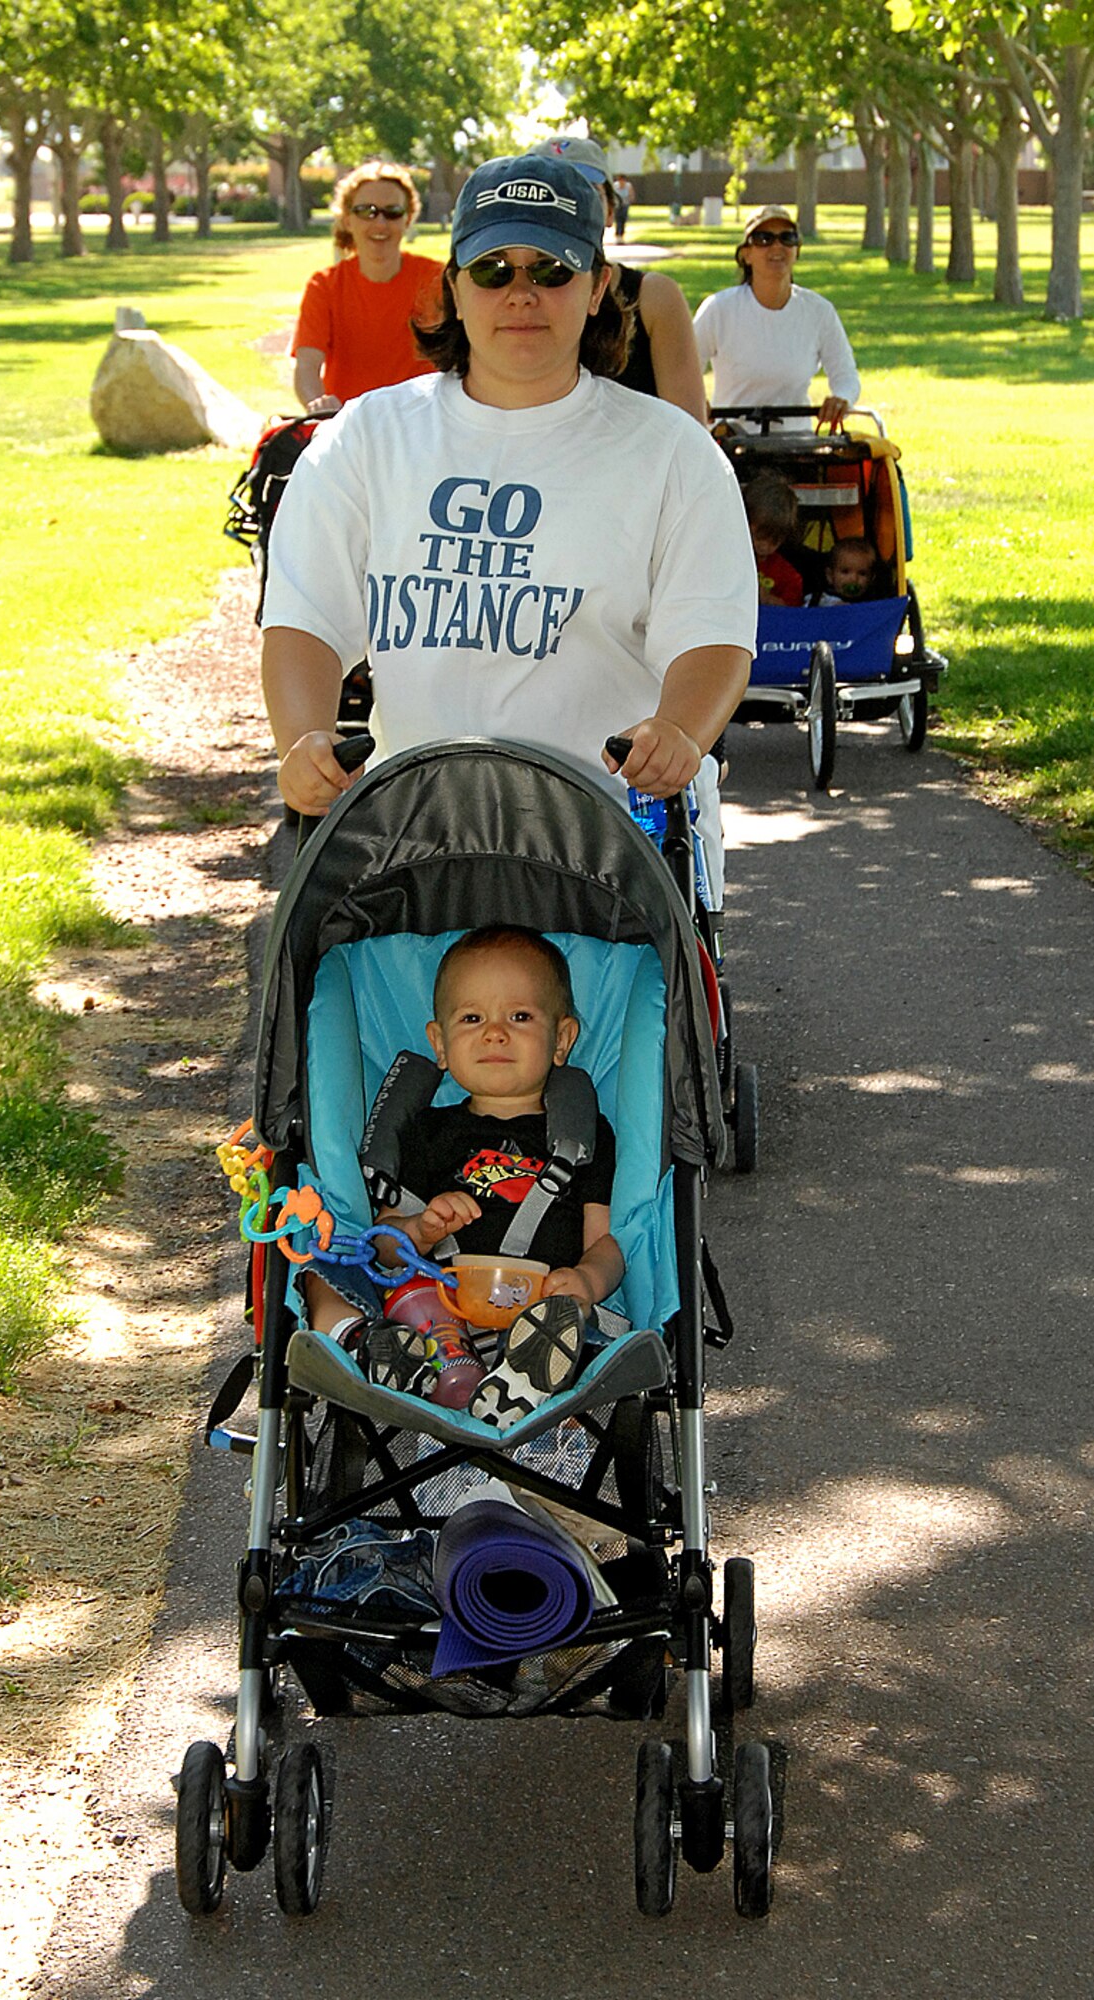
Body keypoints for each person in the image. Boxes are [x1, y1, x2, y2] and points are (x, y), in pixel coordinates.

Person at [261, 151, 755, 892]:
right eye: (493, 269)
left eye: (551, 270)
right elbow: (304, 616)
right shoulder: (366, 437)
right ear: (454, 288)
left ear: (596, 289)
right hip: (413, 846)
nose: (520, 293)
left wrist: (680, 731)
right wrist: (302, 740)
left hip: (614, 851)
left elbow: (712, 635)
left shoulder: (672, 453)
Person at [303, 926, 625, 1428]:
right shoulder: (429, 1133)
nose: (494, 1033)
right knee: (324, 1265)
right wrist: (422, 1230)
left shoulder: (583, 1135)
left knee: (564, 1325)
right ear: (441, 1043)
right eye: (472, 1018)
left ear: (561, 1039)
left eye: (519, 1017)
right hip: (435, 1315)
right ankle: (375, 1350)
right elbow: (385, 1247)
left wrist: (586, 1280)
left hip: (538, 1320)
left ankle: (518, 1378)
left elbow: (604, 1243)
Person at [532, 134, 707, 424]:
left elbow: (691, 433)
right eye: (550, 193)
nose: (568, 206)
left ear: (611, 210)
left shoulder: (654, 298)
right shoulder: (500, 297)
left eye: (585, 193)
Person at [291, 158, 443, 415]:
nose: (380, 224)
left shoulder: (438, 280)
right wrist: (319, 407)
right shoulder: (324, 286)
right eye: (367, 212)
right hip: (349, 425)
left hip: (424, 423)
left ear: (407, 220)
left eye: (392, 212)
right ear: (348, 219)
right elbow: (306, 367)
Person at [693, 204, 860, 432]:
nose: (777, 247)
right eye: (764, 239)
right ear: (746, 254)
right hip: (732, 446)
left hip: (797, 448)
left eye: (787, 238)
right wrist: (694, 400)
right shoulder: (718, 309)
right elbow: (684, 368)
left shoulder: (819, 311)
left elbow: (846, 375)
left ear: (797, 251)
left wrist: (842, 398)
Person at [742, 470, 804, 606]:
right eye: (758, 537)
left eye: (774, 541)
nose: (764, 546)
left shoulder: (788, 576)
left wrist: (769, 599)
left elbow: (793, 613)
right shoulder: (726, 561)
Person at [809, 535, 879, 606]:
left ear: (871, 579)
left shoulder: (873, 602)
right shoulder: (822, 599)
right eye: (845, 572)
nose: (853, 579)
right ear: (830, 576)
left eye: (862, 573)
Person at [612, 173, 635, 241]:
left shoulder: (628, 186)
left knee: (623, 220)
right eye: (620, 180)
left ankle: (622, 234)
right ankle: (617, 235)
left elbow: (631, 194)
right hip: (617, 205)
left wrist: (631, 200)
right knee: (618, 220)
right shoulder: (615, 186)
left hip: (625, 204)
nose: (621, 182)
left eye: (623, 180)